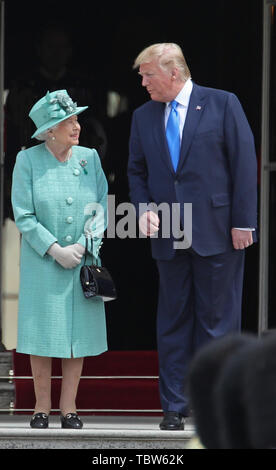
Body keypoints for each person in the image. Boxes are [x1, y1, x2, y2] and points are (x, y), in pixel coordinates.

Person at [127, 43, 258, 430]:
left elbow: (244, 162)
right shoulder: (142, 116)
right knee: (172, 322)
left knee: (218, 323)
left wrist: (244, 222)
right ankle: (174, 406)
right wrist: (142, 208)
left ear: (173, 72)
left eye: (148, 75)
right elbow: (135, 171)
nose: (144, 83)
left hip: (218, 232)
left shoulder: (222, 104)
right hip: (168, 233)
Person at [11, 89, 108, 429]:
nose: (76, 126)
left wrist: (83, 245)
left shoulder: (89, 158)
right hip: (44, 262)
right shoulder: (28, 160)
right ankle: (41, 407)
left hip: (81, 262)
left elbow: (100, 207)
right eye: (68, 121)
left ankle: (69, 408)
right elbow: (23, 215)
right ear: (49, 130)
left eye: (76, 119)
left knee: (76, 336)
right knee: (42, 334)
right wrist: (54, 249)